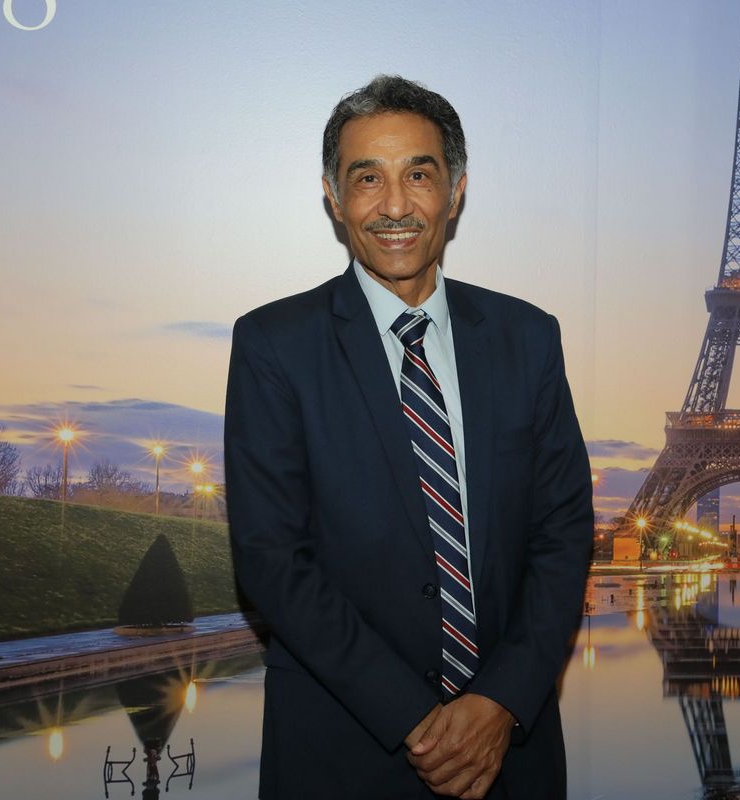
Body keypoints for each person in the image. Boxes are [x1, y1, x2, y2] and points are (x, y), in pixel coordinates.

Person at [225, 75, 593, 799]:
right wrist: (420, 721)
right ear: (333, 198)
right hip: (341, 753)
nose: (395, 206)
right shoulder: (274, 344)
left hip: (509, 753)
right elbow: (272, 559)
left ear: (455, 192)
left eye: (418, 175)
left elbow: (563, 531)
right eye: (368, 178)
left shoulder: (529, 337)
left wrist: (500, 701)